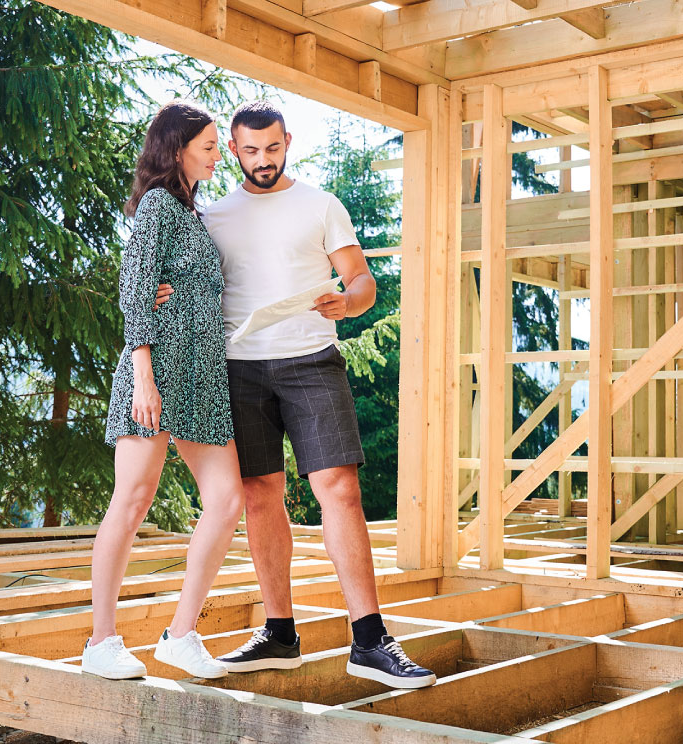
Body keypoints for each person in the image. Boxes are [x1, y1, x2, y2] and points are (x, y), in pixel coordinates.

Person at [175, 101, 436, 689]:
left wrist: (350, 301)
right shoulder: (211, 215)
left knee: (338, 488)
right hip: (238, 368)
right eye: (249, 150)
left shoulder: (320, 204)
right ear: (233, 149)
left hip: (311, 361)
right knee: (260, 496)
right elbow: (188, 285)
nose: (262, 160)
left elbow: (362, 280)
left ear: (287, 141)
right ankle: (279, 632)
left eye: (272, 148)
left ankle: (369, 638)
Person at [81, 100, 245, 681]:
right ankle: (101, 642)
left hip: (202, 374)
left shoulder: (193, 213)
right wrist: (144, 376)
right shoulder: (156, 206)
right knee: (131, 501)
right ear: (176, 149)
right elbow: (135, 290)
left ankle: (180, 635)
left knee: (226, 501)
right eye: (208, 145)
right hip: (154, 371)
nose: (217, 154)